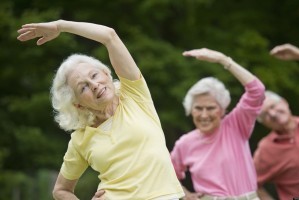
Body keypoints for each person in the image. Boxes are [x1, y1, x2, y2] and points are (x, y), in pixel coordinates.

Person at [17, 20, 185, 200]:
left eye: (94, 75)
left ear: (106, 73)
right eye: (83, 88)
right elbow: (60, 190)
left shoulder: (134, 94)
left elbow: (109, 36)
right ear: (78, 104)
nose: (95, 85)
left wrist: (60, 26)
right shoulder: (80, 139)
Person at [170, 48, 265, 200]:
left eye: (211, 108)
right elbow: (166, 175)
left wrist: (223, 60)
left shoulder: (235, 124)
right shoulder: (185, 143)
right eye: (198, 108)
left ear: (222, 110)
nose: (204, 115)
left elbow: (257, 91)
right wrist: (186, 195)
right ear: (190, 111)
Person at [253, 90, 299, 200]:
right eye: (265, 114)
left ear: (284, 102)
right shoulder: (266, 149)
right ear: (263, 122)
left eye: (273, 106)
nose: (273, 114)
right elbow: (249, 182)